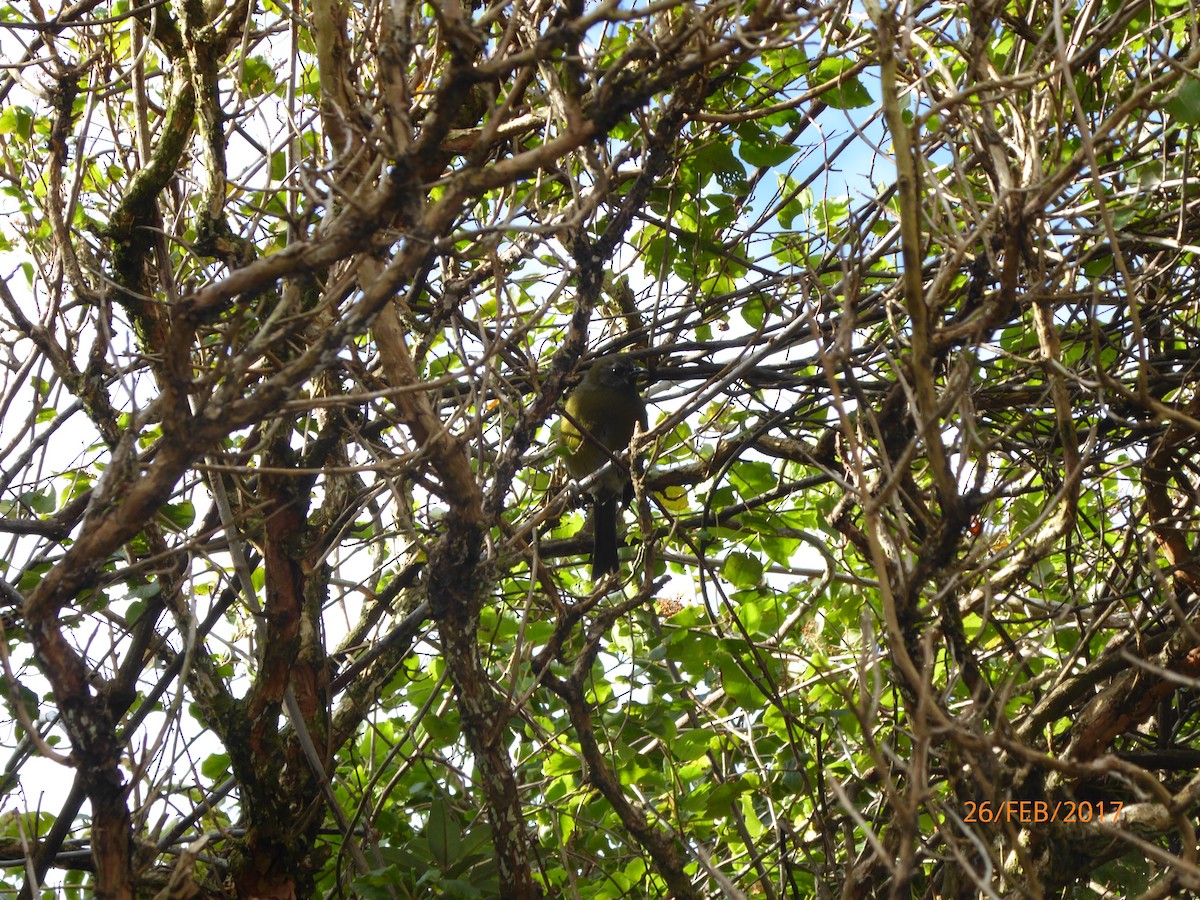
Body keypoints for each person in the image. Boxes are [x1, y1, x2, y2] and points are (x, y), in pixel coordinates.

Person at [559, 354, 647, 580]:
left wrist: (625, 469)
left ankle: (608, 563)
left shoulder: (635, 407)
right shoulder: (577, 401)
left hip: (617, 479)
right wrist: (575, 484)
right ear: (600, 376)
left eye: (630, 372)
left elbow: (639, 451)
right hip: (585, 476)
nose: (629, 378)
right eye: (618, 372)